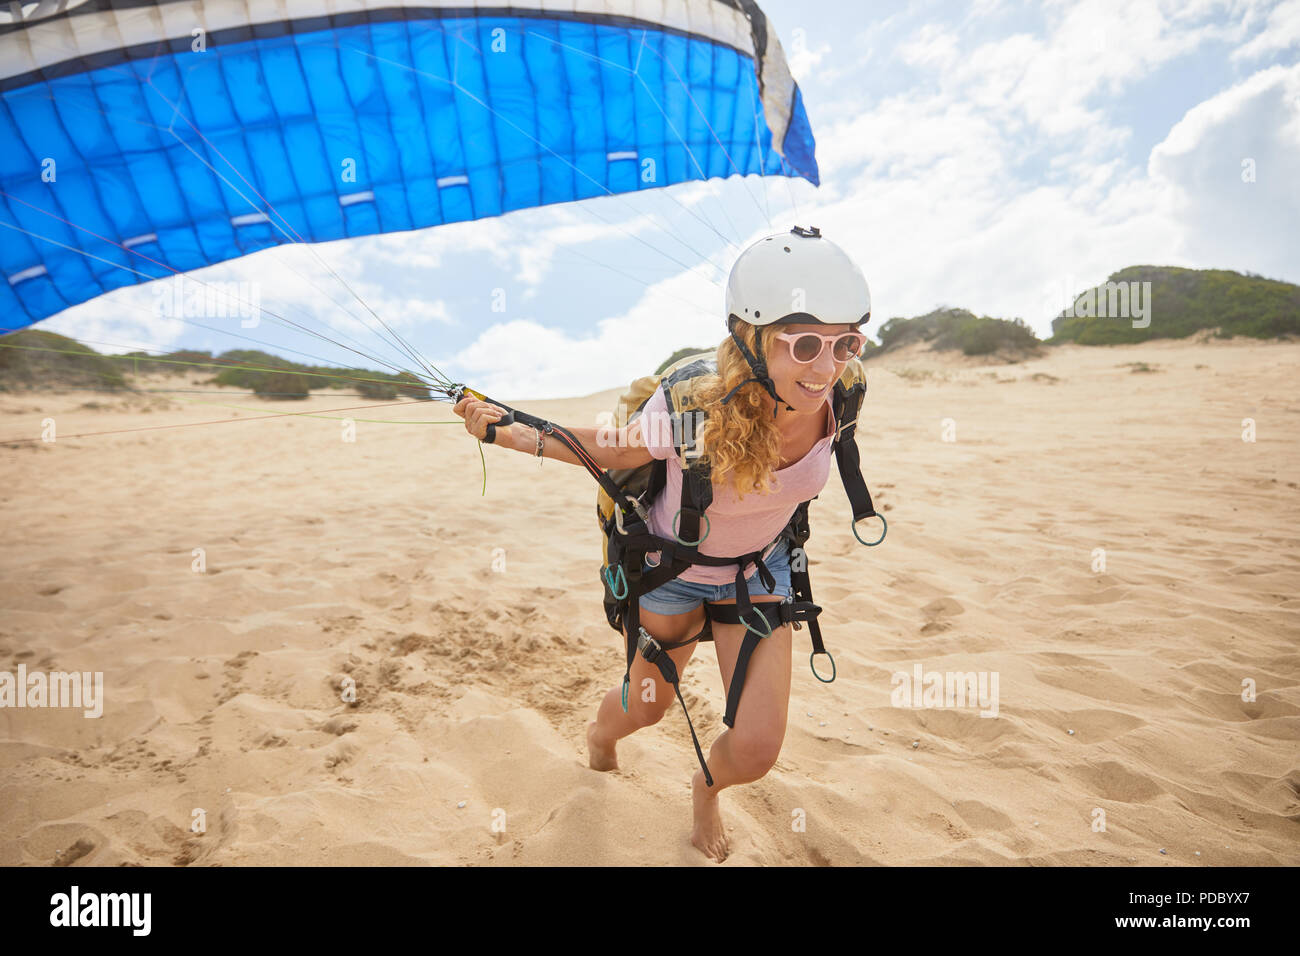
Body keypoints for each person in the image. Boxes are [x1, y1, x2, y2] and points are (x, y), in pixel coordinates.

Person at [452, 227, 872, 861]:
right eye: (806, 343)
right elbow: (608, 446)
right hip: (672, 571)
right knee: (645, 708)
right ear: (749, 337)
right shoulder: (693, 405)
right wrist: (510, 433)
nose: (826, 365)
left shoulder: (842, 392)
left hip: (761, 573)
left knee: (756, 750)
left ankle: (705, 790)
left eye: (846, 342)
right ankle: (600, 737)